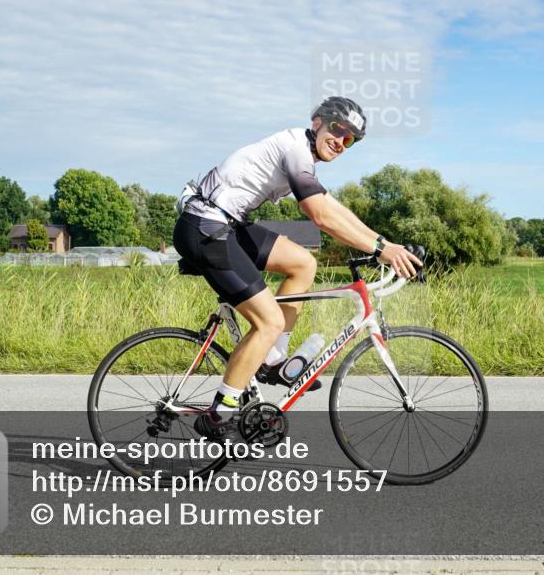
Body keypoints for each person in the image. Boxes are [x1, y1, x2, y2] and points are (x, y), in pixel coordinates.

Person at [172, 96, 422, 440]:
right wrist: (381, 249)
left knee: (303, 263)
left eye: (349, 140)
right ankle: (219, 414)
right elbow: (319, 215)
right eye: (338, 129)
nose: (341, 141)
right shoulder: (295, 149)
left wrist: (382, 243)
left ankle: (272, 361)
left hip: (223, 224)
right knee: (269, 321)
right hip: (206, 228)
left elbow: (332, 207)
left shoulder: (303, 155)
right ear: (318, 122)